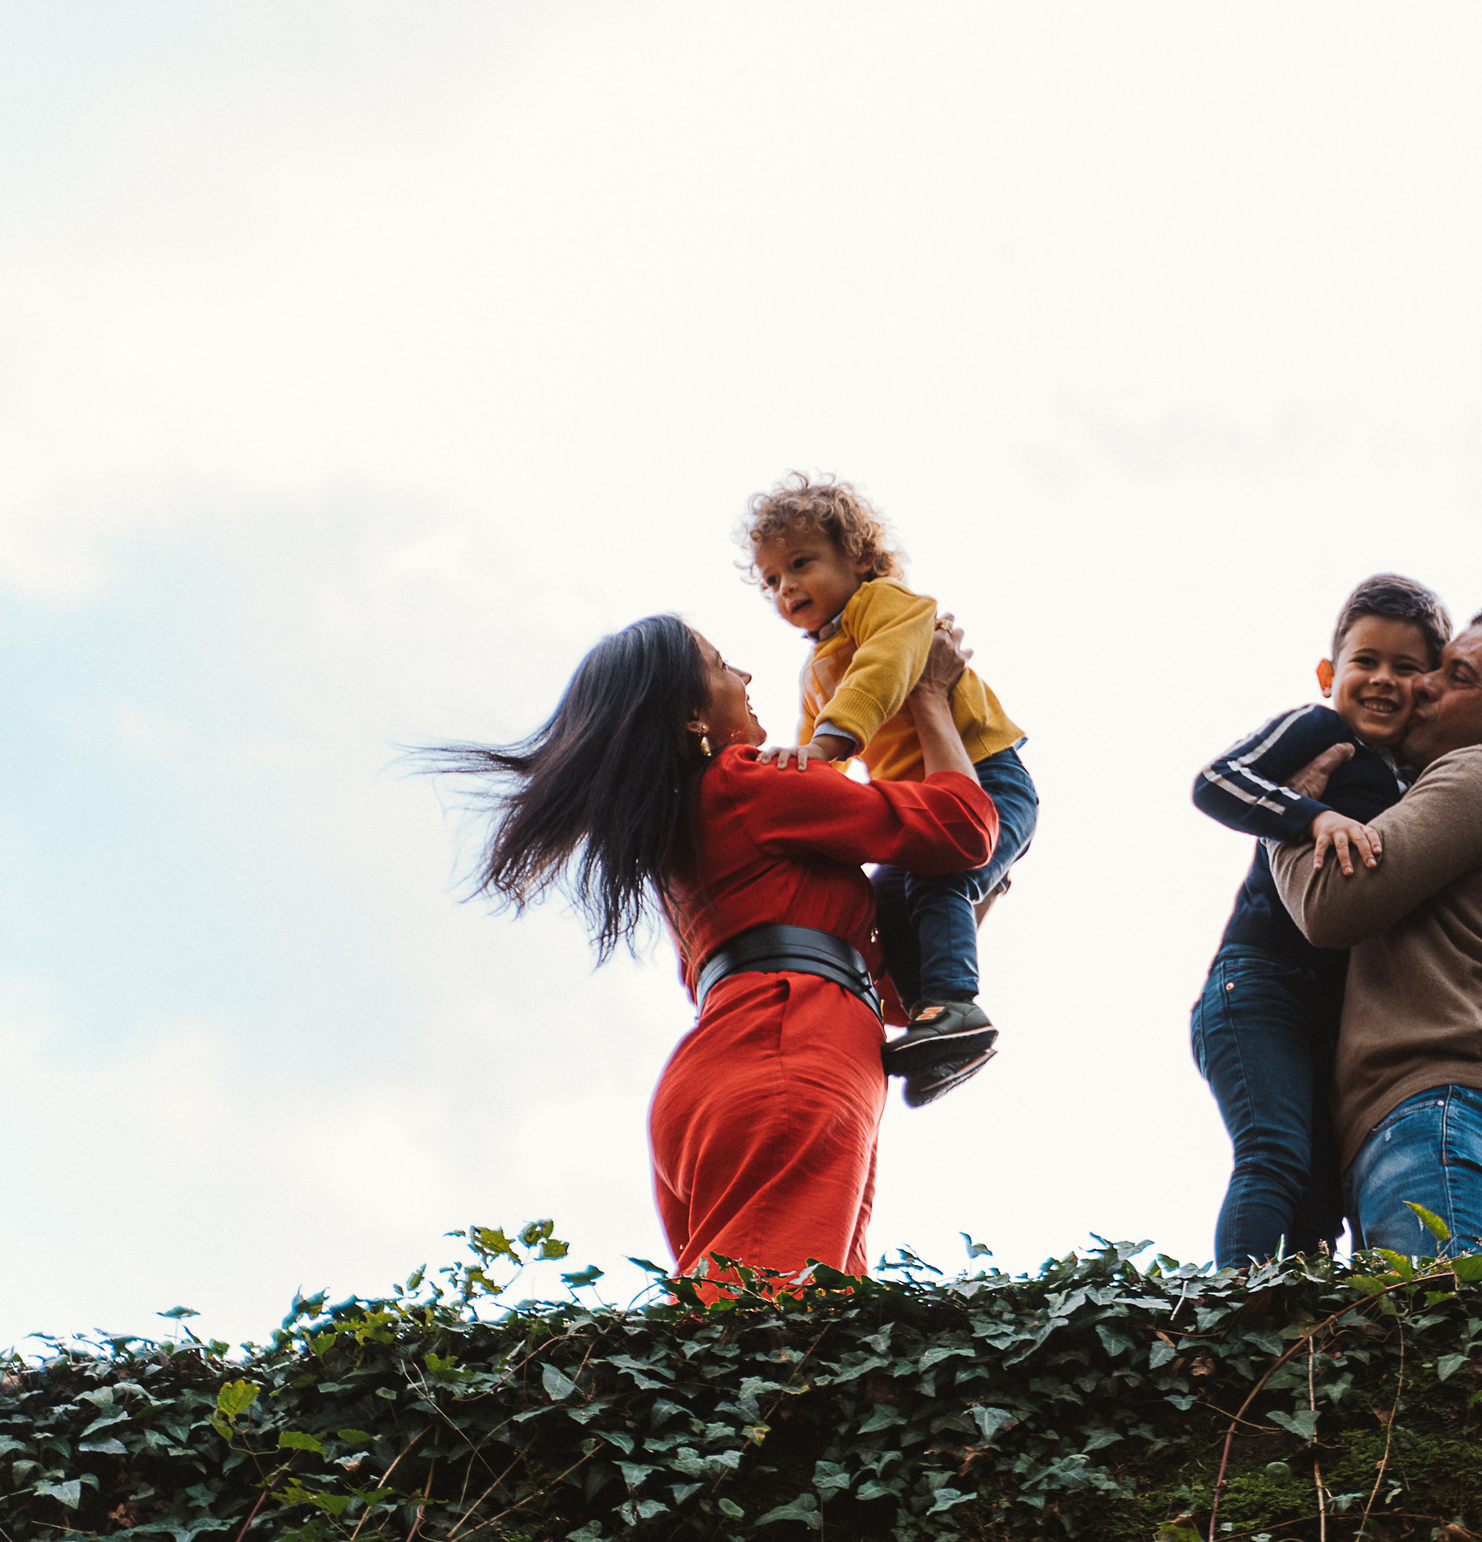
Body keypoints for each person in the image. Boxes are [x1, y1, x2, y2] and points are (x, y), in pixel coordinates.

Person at [426, 613, 997, 1288]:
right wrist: (930, 696)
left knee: (801, 1332)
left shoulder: (688, 835)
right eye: (722, 663)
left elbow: (892, 994)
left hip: (740, 1067)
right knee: (769, 1329)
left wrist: (961, 905)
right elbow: (963, 827)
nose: (746, 675)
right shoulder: (743, 781)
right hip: (788, 1055)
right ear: (693, 714)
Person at [1268, 608, 1482, 1259]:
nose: (1421, 685)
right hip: (1449, 1120)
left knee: (1440, 1342)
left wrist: (1288, 811)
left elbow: (1328, 905)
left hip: (1440, 1117)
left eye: (1458, 676)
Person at [738, 473, 1040, 1106]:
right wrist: (804, 792)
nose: (786, 586)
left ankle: (957, 1005)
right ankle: (934, 1029)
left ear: (859, 560)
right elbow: (818, 762)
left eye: (801, 564)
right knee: (877, 910)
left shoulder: (888, 608)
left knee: (941, 875)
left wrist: (828, 743)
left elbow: (883, 671)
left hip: (987, 781)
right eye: (771, 580)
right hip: (923, 809)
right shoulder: (819, 666)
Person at [1187, 575, 1451, 1267]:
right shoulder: (1320, 729)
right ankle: (1236, 1311)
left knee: (1320, 1194)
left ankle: (1300, 1324)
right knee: (1273, 1151)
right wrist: (1314, 815)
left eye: (1406, 665)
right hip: (1261, 985)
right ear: (1330, 672)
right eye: (1366, 661)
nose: (1383, 679)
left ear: (1431, 684)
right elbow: (1217, 781)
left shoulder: (1420, 780)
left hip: (1341, 1013)